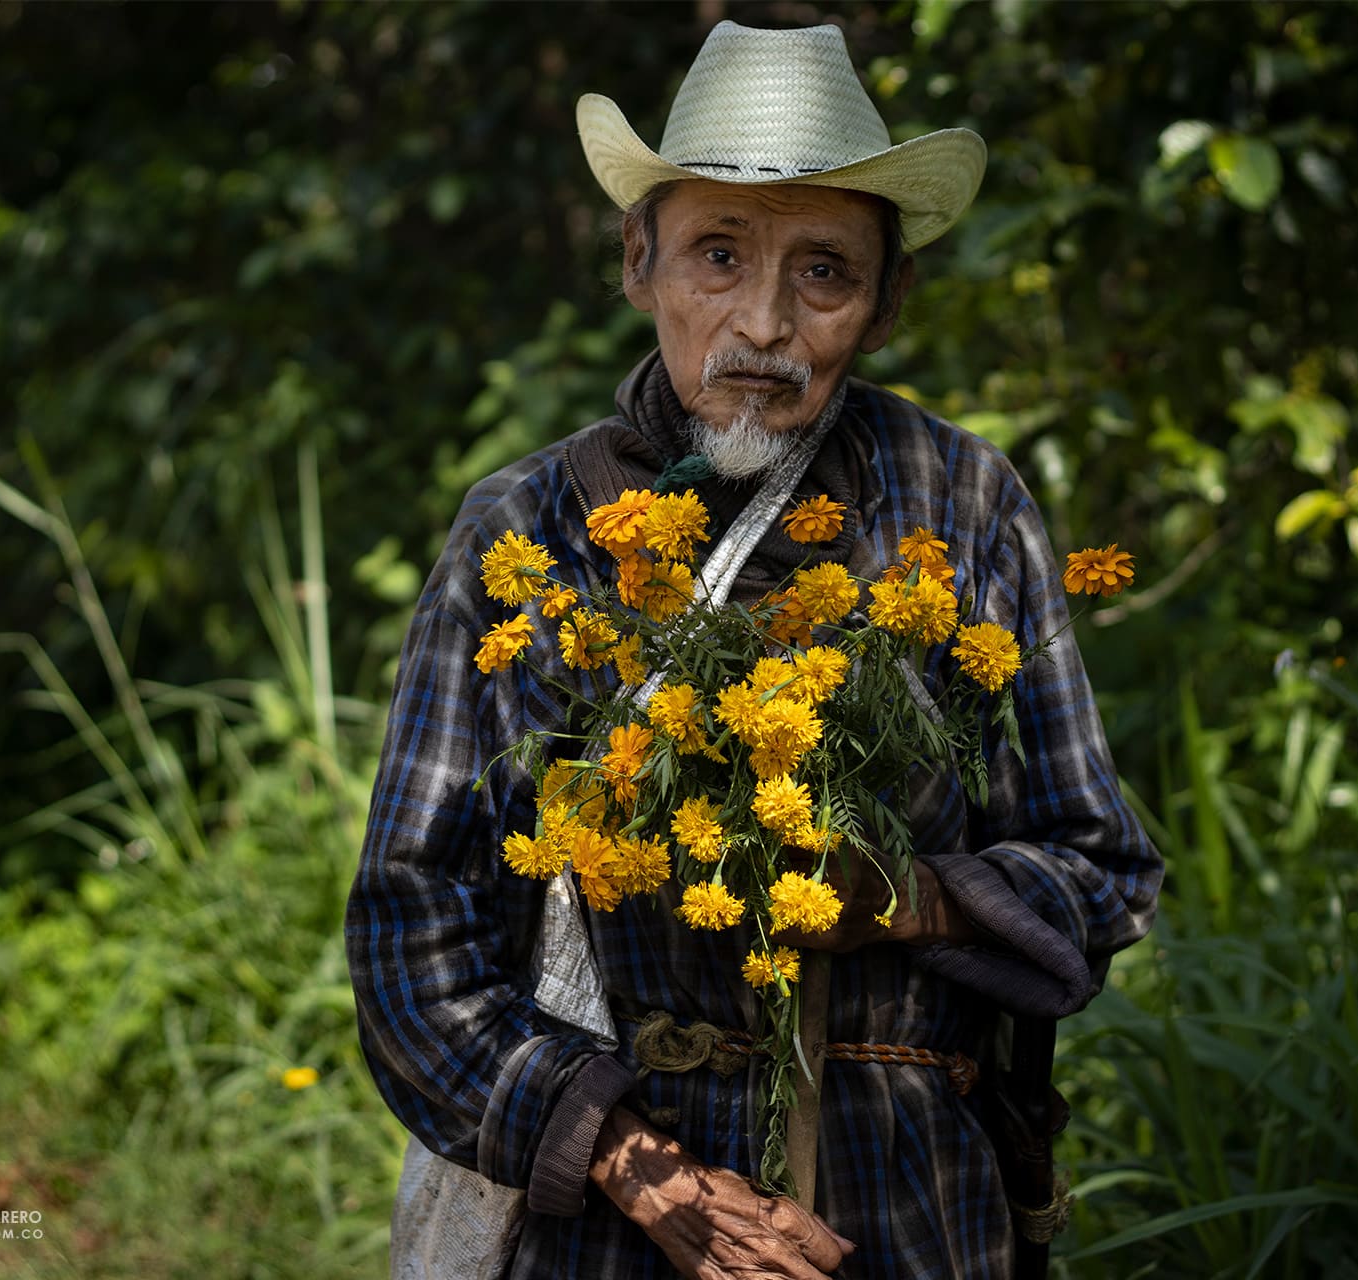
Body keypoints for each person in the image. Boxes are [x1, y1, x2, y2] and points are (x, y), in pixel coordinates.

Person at [346, 20, 1163, 1280]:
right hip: (615, 1229)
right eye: (717, 256)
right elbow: (410, 934)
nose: (764, 325)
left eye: (824, 272)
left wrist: (910, 897)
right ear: (638, 261)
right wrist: (647, 1174)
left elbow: (1102, 870)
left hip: (910, 1212)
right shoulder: (529, 530)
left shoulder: (963, 503)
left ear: (888, 301)